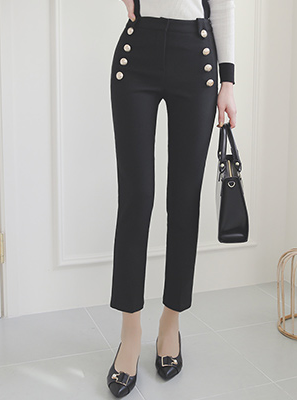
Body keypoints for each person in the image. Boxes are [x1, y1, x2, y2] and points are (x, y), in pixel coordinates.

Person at [107, 0, 236, 397]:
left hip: (196, 57)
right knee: (136, 197)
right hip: (137, 53)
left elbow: (223, 8)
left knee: (183, 200)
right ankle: (130, 334)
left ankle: (170, 323)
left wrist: (228, 82)